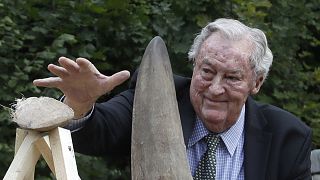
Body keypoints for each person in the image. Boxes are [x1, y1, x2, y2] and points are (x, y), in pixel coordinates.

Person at [33, 18, 312, 179]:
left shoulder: (288, 136)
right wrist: (81, 103)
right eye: (207, 71)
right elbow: (97, 132)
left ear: (257, 82)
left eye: (231, 78)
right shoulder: (156, 100)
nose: (215, 89)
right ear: (194, 65)